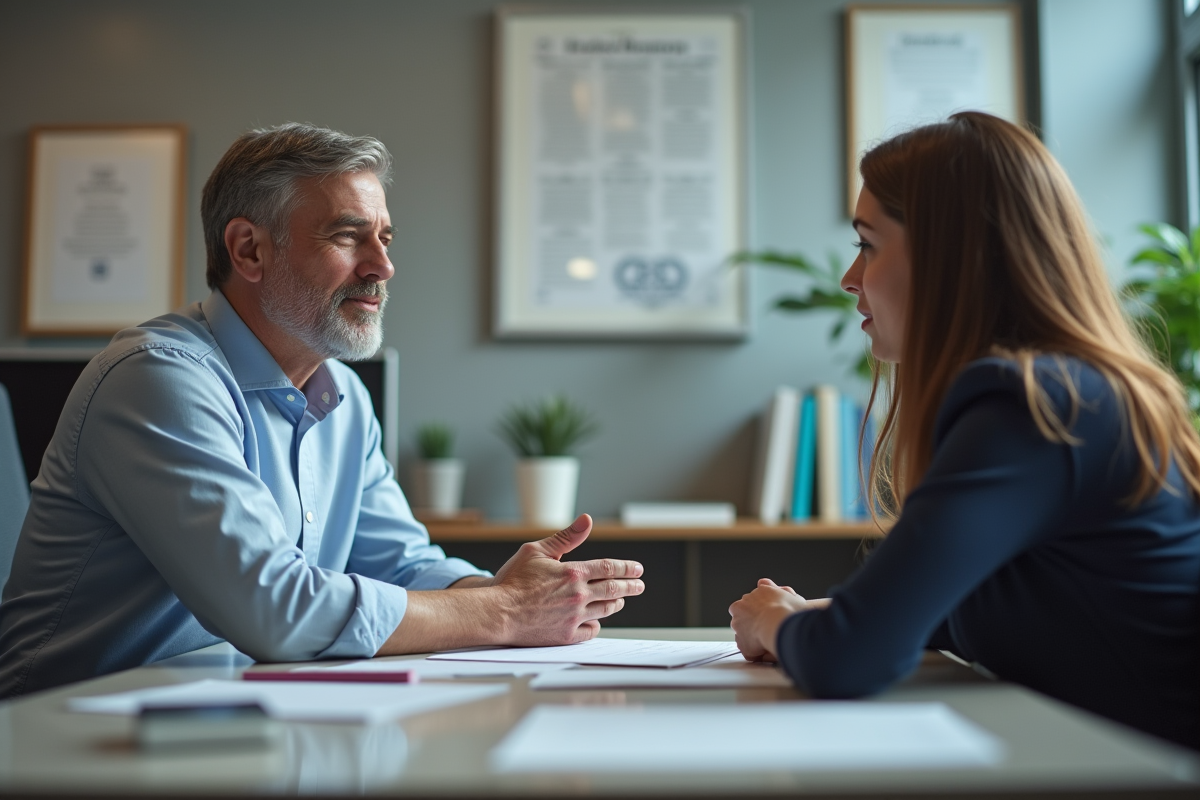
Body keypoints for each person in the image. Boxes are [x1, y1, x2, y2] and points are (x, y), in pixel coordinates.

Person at [0, 123, 645, 696]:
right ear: (249, 250)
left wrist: (507, 591)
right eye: (348, 236)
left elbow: (399, 563)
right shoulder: (157, 378)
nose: (383, 267)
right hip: (69, 732)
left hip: (231, 714)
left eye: (386, 239)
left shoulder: (343, 396)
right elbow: (276, 610)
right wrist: (506, 612)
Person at [728, 111, 1200, 749]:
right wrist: (815, 615)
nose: (850, 279)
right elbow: (969, 613)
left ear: (951, 257)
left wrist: (779, 623)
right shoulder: (1068, 391)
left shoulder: (1032, 404)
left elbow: (851, 660)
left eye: (868, 244)